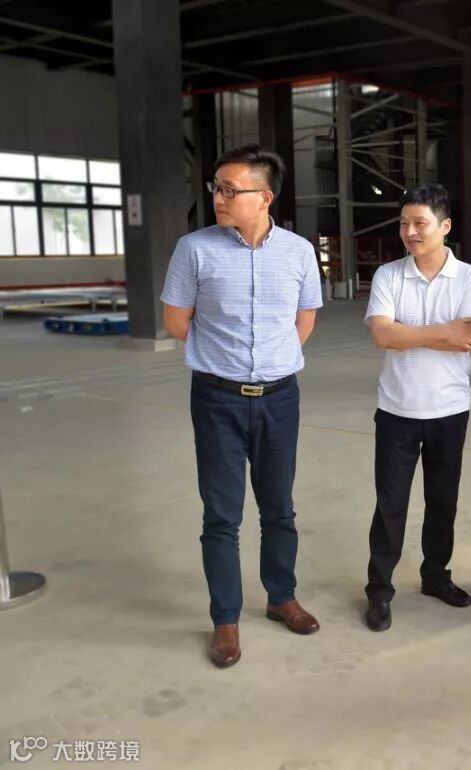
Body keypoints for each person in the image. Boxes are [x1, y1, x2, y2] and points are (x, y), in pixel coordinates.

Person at [161, 144, 323, 668]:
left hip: (279, 398)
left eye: (232, 190)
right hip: (217, 398)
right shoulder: (194, 249)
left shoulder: (298, 252)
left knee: (279, 507)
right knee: (222, 514)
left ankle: (281, 597)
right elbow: (176, 321)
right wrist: (223, 357)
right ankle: (226, 618)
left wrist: (272, 361)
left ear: (265, 197)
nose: (219, 198)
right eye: (217, 188)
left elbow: (304, 319)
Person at [362, 183, 471, 632]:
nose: (410, 232)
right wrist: (441, 331)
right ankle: (379, 590)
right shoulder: (388, 275)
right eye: (404, 223)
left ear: (445, 226)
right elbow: (382, 335)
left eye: (420, 223)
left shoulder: (469, 278)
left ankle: (436, 576)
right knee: (390, 504)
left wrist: (407, 333)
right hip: (396, 409)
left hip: (449, 409)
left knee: (442, 501)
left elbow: (465, 340)